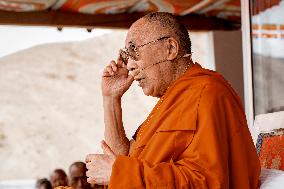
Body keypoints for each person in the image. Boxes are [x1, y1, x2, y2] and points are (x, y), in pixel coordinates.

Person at [85, 12, 261, 188]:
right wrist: (110, 99)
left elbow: (207, 182)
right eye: (126, 55)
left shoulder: (207, 93)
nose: (129, 65)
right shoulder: (171, 102)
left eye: (134, 51)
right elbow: (124, 158)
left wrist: (120, 173)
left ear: (170, 48)